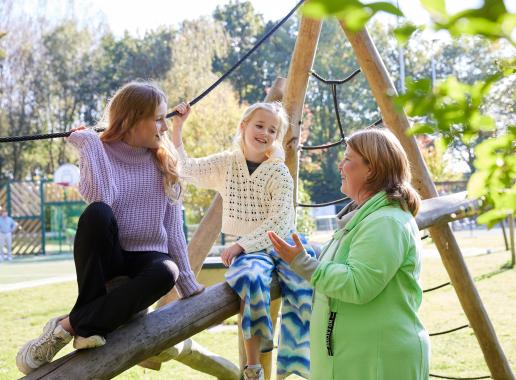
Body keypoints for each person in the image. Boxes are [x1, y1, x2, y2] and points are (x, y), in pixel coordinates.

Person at [16, 81, 203, 375]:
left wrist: (188, 285)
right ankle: (89, 321)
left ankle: (68, 326)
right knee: (97, 214)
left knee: (168, 270)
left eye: (165, 118)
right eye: (157, 118)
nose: (164, 127)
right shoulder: (97, 151)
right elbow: (103, 200)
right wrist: (90, 144)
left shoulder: (166, 161)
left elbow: (173, 228)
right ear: (130, 120)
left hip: (146, 259)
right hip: (111, 256)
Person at [269, 128, 430, 379]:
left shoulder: (385, 222)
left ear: (371, 169)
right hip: (357, 360)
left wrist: (302, 263)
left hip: (378, 363)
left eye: (348, 159)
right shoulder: (363, 219)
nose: (341, 166)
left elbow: (357, 284)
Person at [171, 101, 315, 380]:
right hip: (253, 252)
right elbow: (186, 168)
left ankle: (294, 364)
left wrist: (241, 245)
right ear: (243, 126)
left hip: (282, 245)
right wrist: (178, 126)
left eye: (272, 130)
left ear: (276, 137)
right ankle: (253, 367)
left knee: (303, 284)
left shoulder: (279, 172)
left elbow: (280, 222)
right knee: (251, 278)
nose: (264, 133)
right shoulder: (227, 163)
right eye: (259, 125)